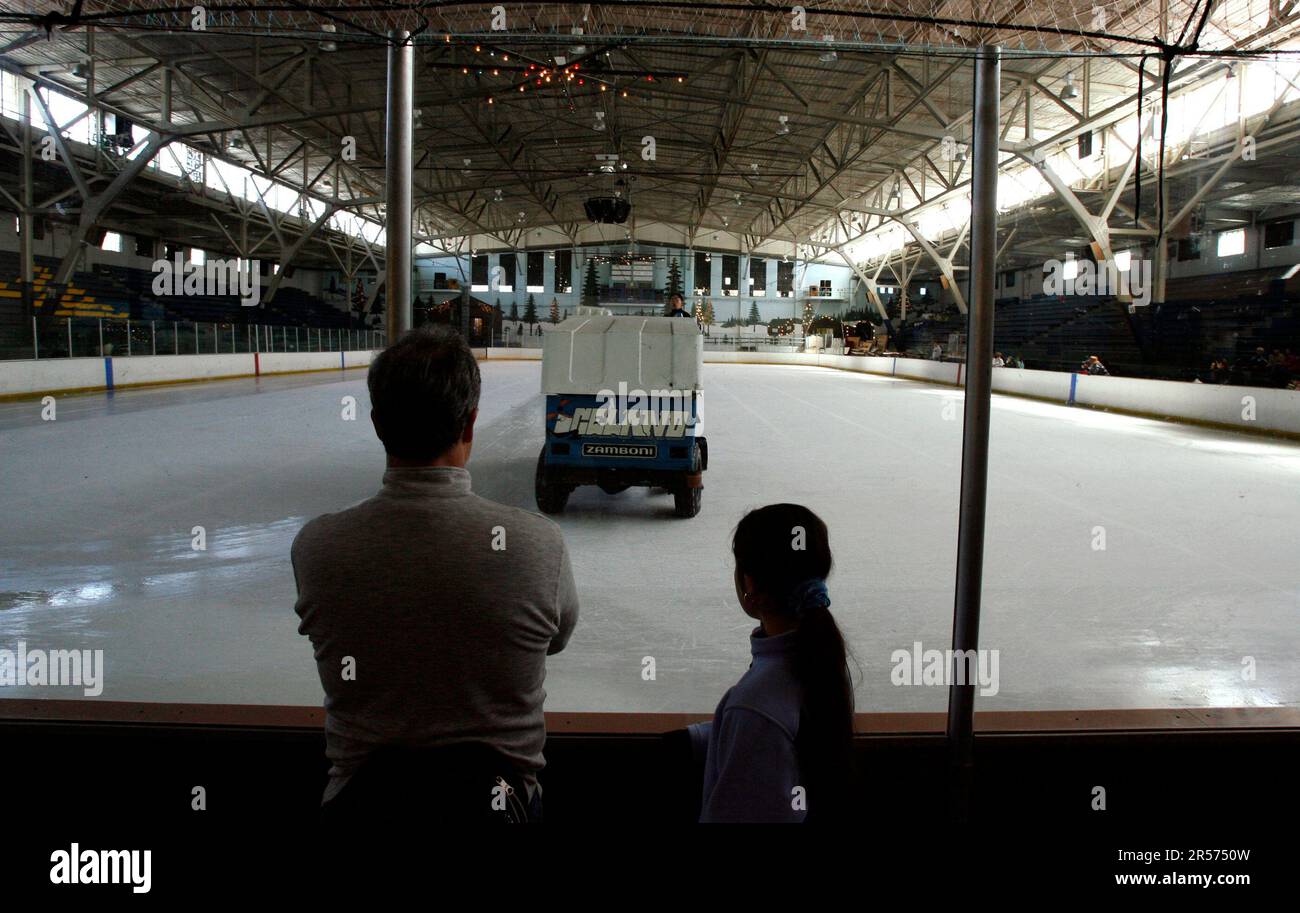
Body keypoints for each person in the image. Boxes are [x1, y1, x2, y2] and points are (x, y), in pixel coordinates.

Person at [292, 327, 579, 823]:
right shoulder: (537, 544)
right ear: (469, 424)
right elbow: (554, 639)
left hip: (361, 804)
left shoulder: (318, 546)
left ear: (378, 425)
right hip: (499, 803)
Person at [688, 504, 856, 823]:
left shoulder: (755, 705)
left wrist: (736, 722)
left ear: (749, 586)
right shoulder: (818, 658)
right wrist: (707, 735)